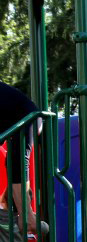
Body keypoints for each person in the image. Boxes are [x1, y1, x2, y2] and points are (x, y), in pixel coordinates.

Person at [0, 81, 39, 233]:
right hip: (19, 116)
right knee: (16, 160)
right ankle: (25, 214)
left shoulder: (24, 114)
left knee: (18, 160)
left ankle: (26, 215)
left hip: (26, 117)